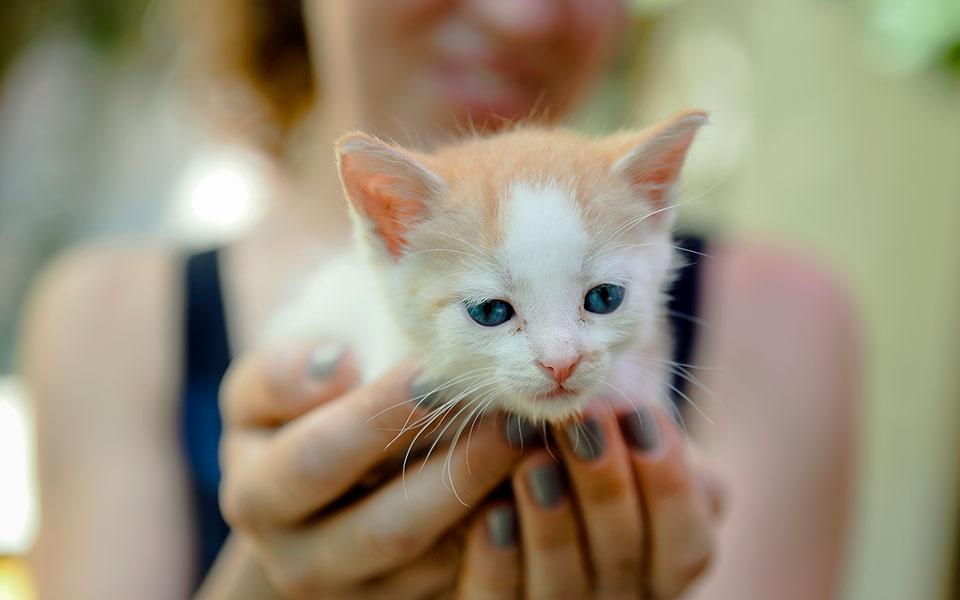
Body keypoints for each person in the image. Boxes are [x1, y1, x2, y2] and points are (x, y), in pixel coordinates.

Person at [19, 0, 858, 598]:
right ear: (387, 224)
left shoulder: (784, 314)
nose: (519, 12)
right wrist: (265, 580)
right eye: (494, 310)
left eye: (601, 297)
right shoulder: (106, 315)